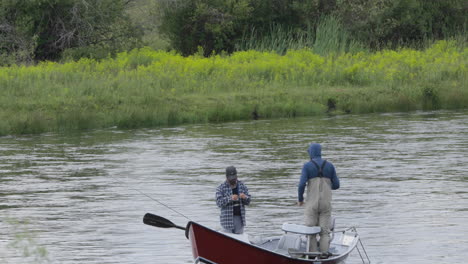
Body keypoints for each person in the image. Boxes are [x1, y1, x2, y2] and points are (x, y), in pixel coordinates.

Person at [297, 143, 340, 257]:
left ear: (311, 153)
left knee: (310, 230)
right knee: (324, 231)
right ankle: (324, 254)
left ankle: (312, 255)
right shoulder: (330, 166)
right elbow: (336, 185)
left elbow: (301, 185)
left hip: (311, 203)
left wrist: (300, 200)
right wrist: (326, 185)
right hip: (326, 203)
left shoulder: (307, 166)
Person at [216, 166, 251, 234]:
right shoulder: (221, 187)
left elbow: (248, 201)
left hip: (239, 219)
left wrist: (245, 197)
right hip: (226, 220)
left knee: (239, 240)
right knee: (226, 240)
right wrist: (230, 198)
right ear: (226, 177)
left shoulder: (242, 185)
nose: (232, 180)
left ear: (236, 176)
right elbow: (219, 203)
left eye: (234, 178)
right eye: (230, 178)